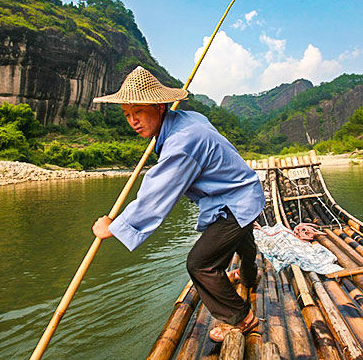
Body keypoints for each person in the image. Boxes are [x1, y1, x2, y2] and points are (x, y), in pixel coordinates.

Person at [91, 66, 265, 342]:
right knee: (243, 240)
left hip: (236, 201)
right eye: (127, 114)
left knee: (200, 264)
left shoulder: (182, 142)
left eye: (139, 112)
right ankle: (247, 275)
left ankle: (241, 318)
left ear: (160, 107)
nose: (133, 121)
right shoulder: (188, 118)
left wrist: (113, 227)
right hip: (246, 191)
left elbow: (155, 194)